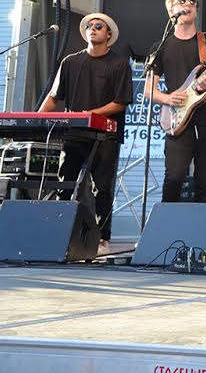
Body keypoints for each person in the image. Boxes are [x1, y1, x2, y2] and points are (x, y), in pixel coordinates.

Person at [39, 13, 133, 251]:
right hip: (74, 132)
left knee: (102, 187)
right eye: (89, 26)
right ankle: (61, 233)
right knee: (66, 183)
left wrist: (90, 114)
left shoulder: (119, 64)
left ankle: (102, 238)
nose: (93, 28)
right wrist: (36, 119)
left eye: (99, 26)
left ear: (108, 34)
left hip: (105, 135)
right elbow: (53, 97)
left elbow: (120, 103)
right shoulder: (70, 62)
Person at [148, 0, 206, 203]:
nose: (188, 5)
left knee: (205, 181)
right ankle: (167, 221)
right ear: (171, 10)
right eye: (182, 1)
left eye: (193, 3)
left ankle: (201, 225)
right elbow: (148, 90)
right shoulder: (160, 47)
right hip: (177, 119)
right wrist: (168, 98)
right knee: (174, 177)